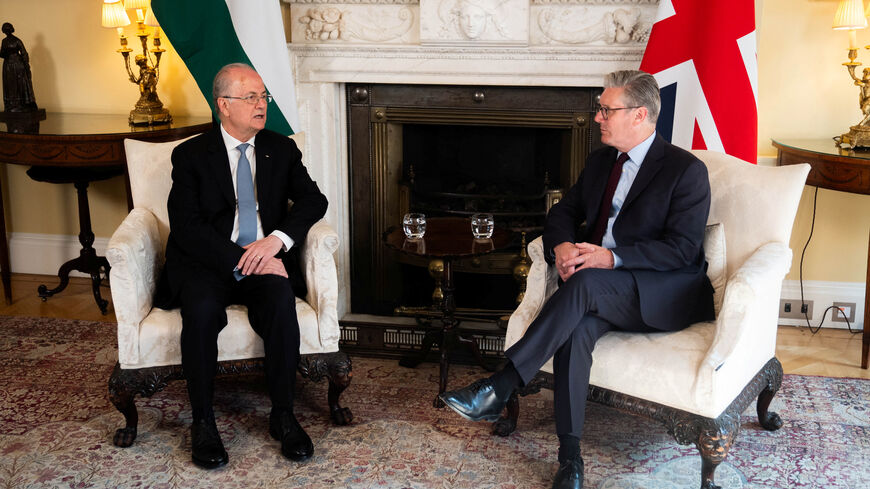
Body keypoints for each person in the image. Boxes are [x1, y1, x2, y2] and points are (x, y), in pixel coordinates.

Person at [439, 70, 714, 489]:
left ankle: (501, 384)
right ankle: (570, 459)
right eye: (599, 108)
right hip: (598, 292)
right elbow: (563, 212)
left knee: (582, 285)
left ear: (639, 115)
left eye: (607, 109)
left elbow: (682, 250)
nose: (598, 117)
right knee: (576, 329)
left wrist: (611, 257)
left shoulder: (684, 171)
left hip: (657, 293)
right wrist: (563, 247)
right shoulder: (601, 161)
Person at [154, 63, 328, 469]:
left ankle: (283, 414)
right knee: (199, 311)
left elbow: (313, 201)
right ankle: (203, 423)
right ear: (223, 105)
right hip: (207, 263)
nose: (261, 104)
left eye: (263, 96)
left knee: (281, 305)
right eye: (250, 97)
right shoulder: (191, 155)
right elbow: (188, 227)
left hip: (263, 260)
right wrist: (244, 258)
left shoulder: (279, 148)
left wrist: (275, 242)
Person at [0, 22, 37, 112]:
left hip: (17, 65)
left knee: (20, 84)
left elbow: (24, 53)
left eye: (7, 29)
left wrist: (26, 65)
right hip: (9, 65)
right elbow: (3, 54)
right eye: (5, 29)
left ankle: (22, 104)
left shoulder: (17, 40)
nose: (6, 31)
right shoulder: (5, 41)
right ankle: (12, 105)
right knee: (11, 85)